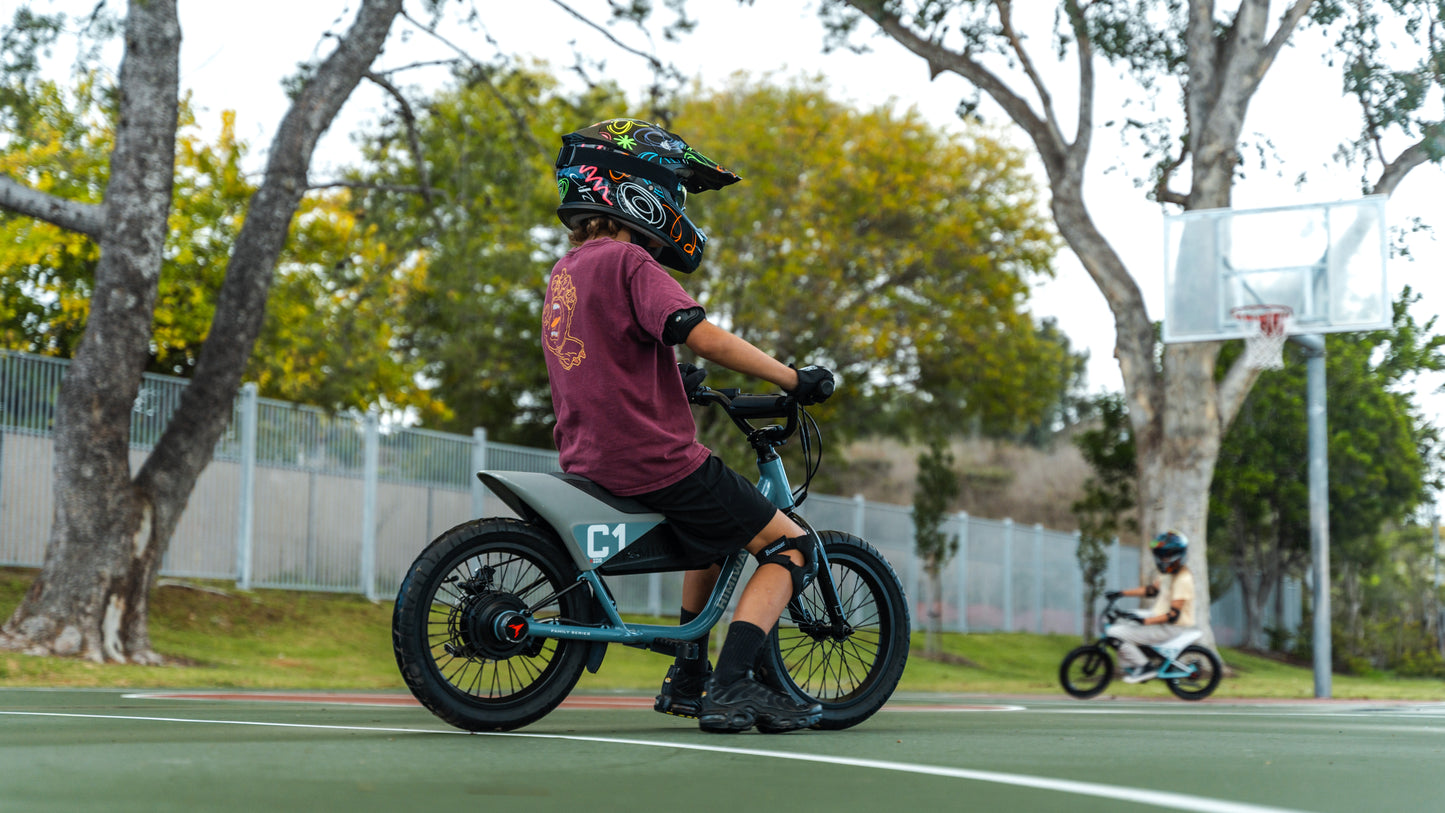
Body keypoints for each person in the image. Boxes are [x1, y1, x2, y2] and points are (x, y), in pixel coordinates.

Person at [544, 118, 834, 734]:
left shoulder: (568, 272)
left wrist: (679, 380)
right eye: (675, 189)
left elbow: (606, 355)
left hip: (591, 457)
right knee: (793, 546)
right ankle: (732, 689)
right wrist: (791, 379)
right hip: (655, 458)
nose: (679, 203)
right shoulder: (630, 261)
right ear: (640, 190)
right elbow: (699, 333)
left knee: (716, 537)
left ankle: (688, 675)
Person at [1104, 530, 1196, 683]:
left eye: (1165, 555)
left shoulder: (1183, 579)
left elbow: (1173, 615)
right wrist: (1120, 593)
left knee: (1115, 633)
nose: (1161, 559)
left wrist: (1143, 622)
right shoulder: (1168, 572)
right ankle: (1133, 662)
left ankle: (1145, 667)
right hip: (1157, 617)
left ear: (1177, 556)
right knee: (1119, 619)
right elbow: (1151, 591)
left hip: (1168, 627)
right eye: (1160, 555)